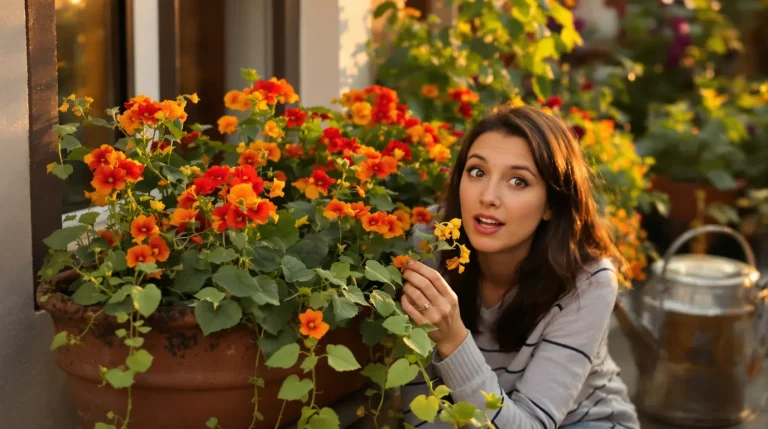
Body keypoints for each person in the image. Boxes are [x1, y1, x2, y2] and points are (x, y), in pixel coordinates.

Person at [399, 105, 640, 428]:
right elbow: (420, 412)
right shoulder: (428, 246)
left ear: (551, 205)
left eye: (518, 181)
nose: (488, 197)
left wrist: (453, 340)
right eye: (477, 172)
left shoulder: (588, 281)